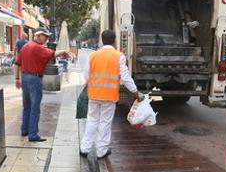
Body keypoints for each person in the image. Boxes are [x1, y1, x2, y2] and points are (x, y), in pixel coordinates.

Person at [80, 30, 143, 159]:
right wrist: (135, 92)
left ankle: (84, 148)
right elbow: (125, 78)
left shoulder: (93, 55)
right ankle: (101, 151)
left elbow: (85, 76)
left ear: (102, 40)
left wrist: (86, 89)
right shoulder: (119, 56)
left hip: (93, 94)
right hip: (109, 96)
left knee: (92, 120)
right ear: (114, 41)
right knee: (105, 123)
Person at [14, 28, 69, 142]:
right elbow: (53, 54)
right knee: (35, 108)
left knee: (27, 106)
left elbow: (17, 63)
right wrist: (64, 51)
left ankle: (24, 129)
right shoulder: (38, 48)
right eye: (45, 36)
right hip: (35, 79)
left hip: (25, 77)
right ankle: (33, 134)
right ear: (38, 35)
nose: (47, 39)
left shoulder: (25, 47)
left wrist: (17, 78)